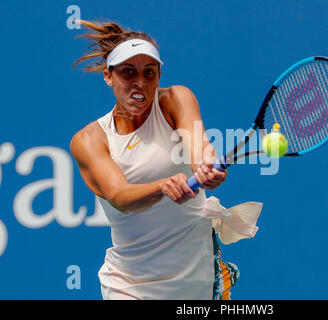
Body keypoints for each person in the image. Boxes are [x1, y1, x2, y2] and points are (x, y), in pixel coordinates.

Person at [70, 20, 233, 299]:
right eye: (127, 72)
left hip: (198, 276)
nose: (140, 82)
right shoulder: (89, 140)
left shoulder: (175, 99)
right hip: (130, 284)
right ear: (108, 76)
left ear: (159, 76)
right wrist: (162, 186)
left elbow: (200, 148)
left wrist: (207, 167)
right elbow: (120, 196)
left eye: (149, 72)